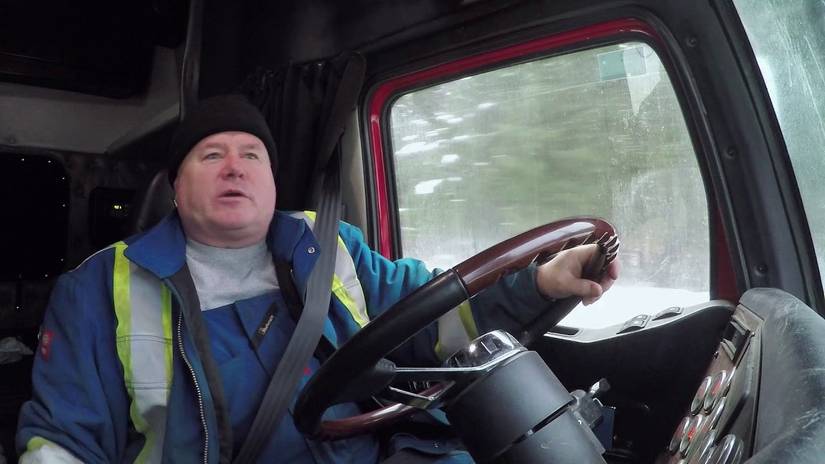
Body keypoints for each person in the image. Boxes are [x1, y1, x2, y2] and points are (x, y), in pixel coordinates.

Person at [16, 95, 618, 463]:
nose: (235, 167)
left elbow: (434, 319)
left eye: (252, 155)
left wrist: (541, 284)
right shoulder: (99, 288)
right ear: (176, 186)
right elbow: (62, 441)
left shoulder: (331, 248)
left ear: (273, 181)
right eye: (210, 155)